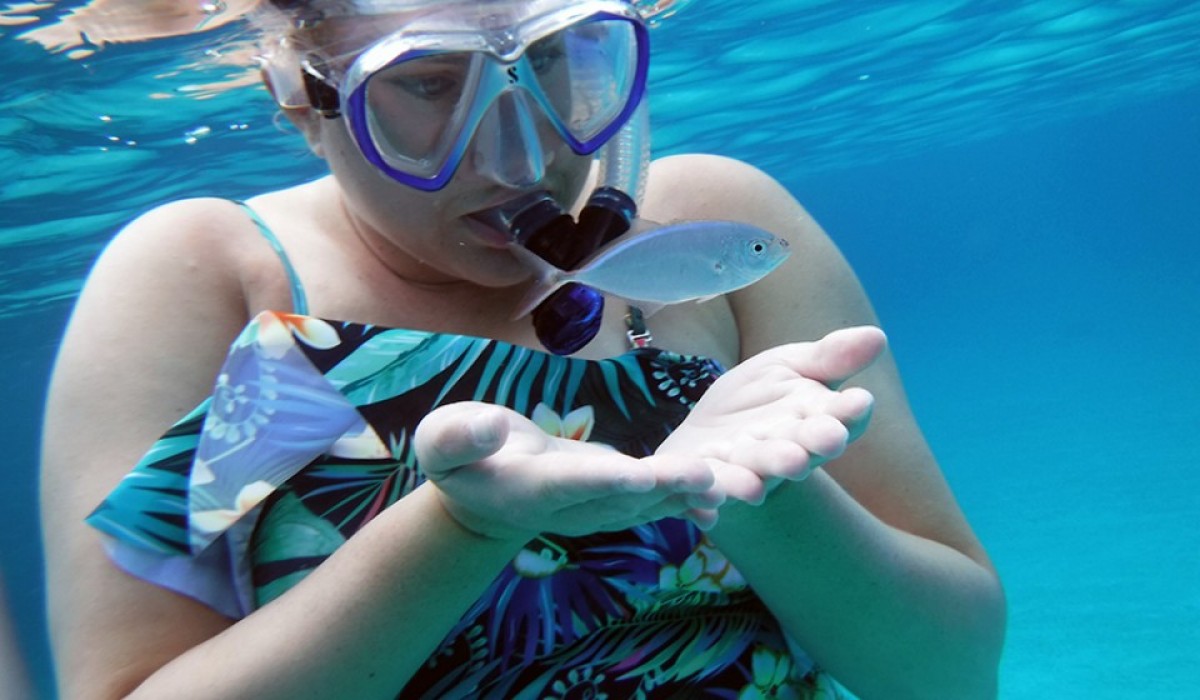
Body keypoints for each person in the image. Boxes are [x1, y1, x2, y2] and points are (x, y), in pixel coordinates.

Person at [39, 1, 1006, 698]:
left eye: (558, 62)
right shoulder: (225, 279)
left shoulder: (713, 233)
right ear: (298, 95)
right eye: (424, 86)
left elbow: (946, 677)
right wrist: (458, 531)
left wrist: (761, 494)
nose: (522, 159)